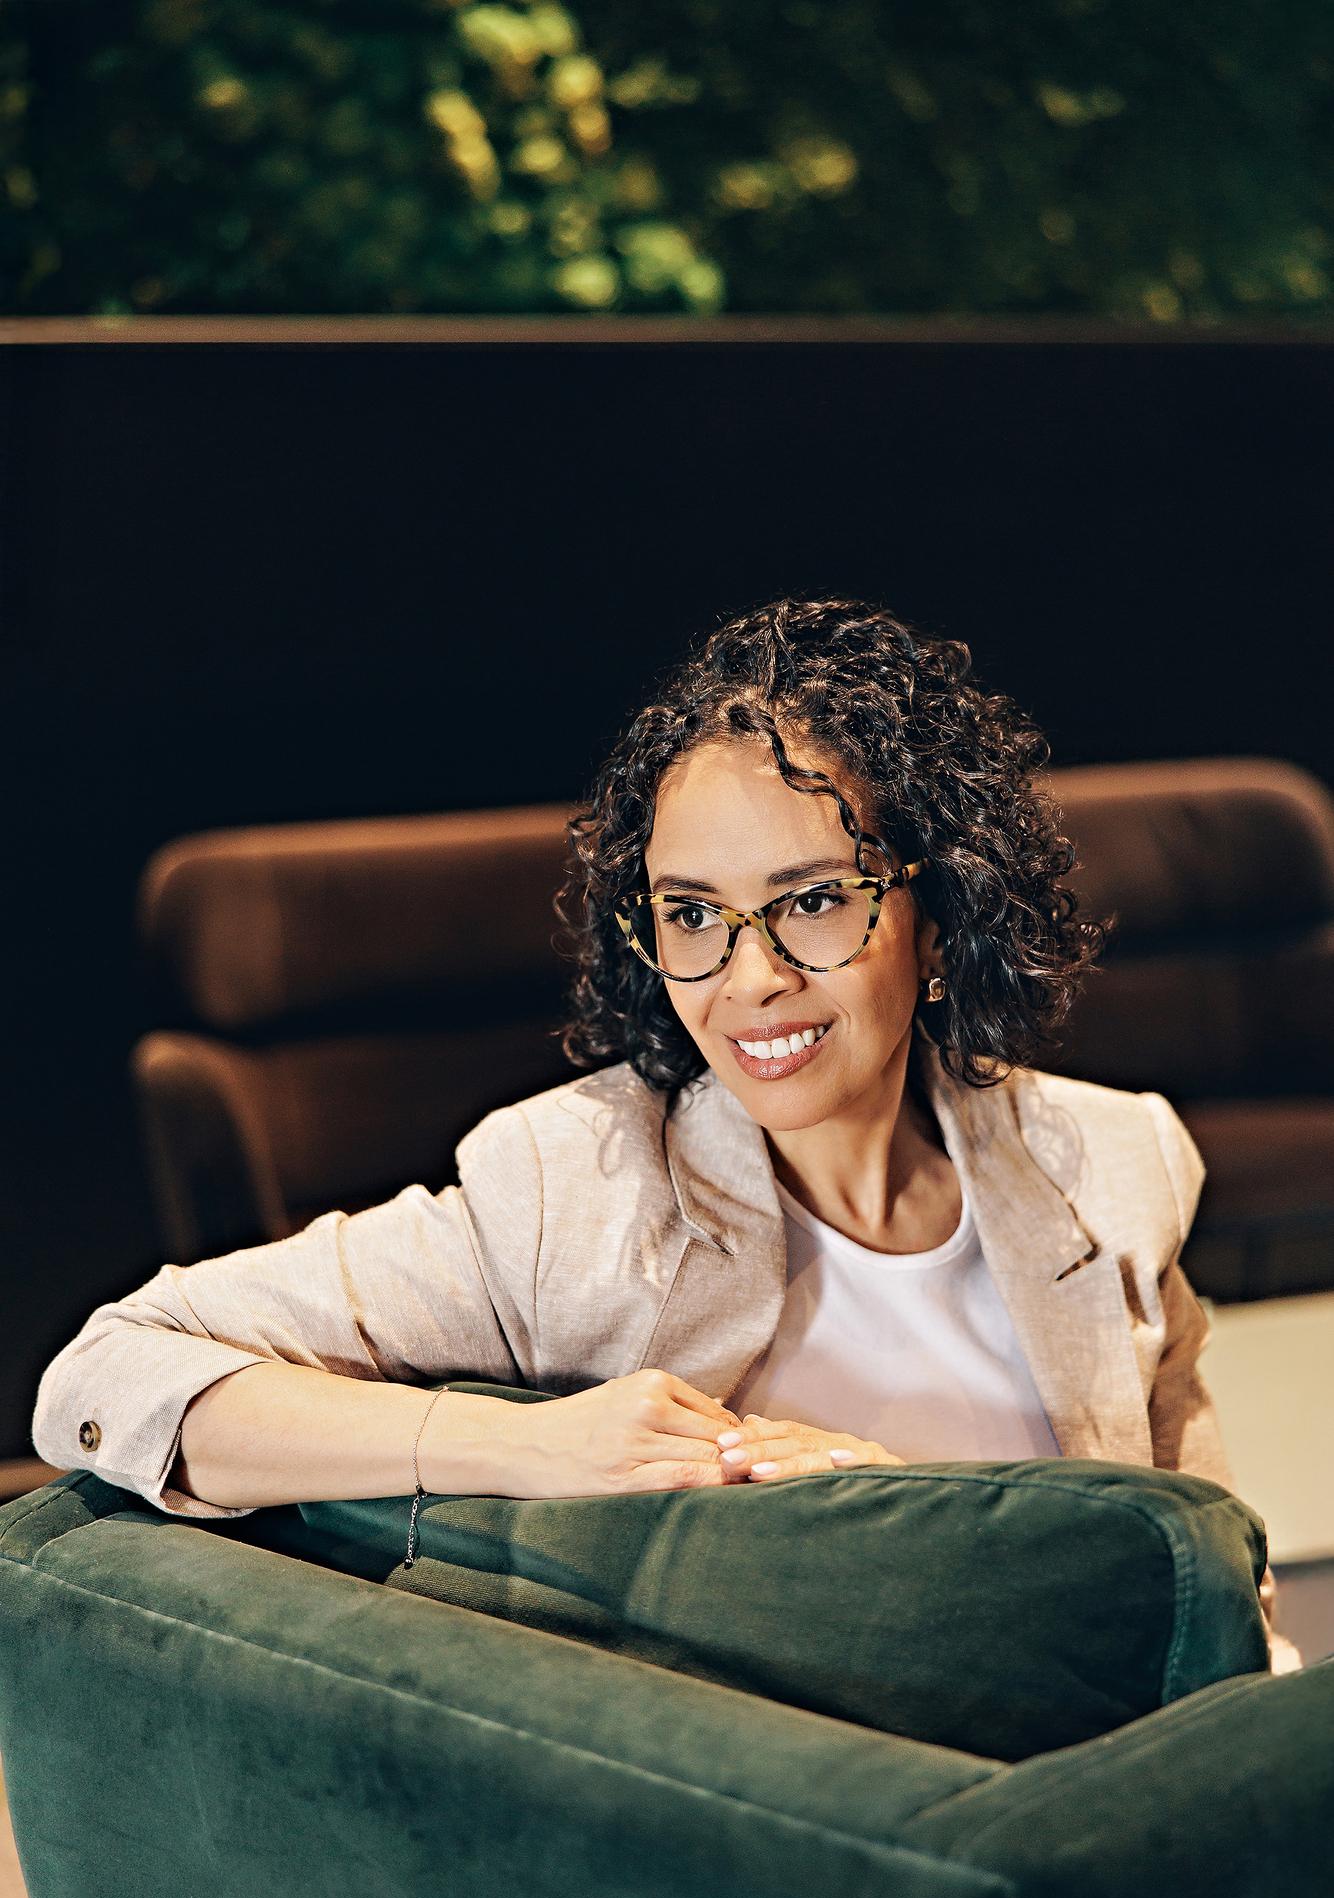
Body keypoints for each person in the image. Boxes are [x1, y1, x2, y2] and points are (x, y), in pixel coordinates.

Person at [31, 595, 1301, 1670]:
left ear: (942, 914)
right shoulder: (568, 1191)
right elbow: (107, 1373)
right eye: (690, 914)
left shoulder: (1114, 1163)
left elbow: (1215, 1593)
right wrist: (536, 1444)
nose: (745, 978)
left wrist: (906, 1506)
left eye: (809, 901)